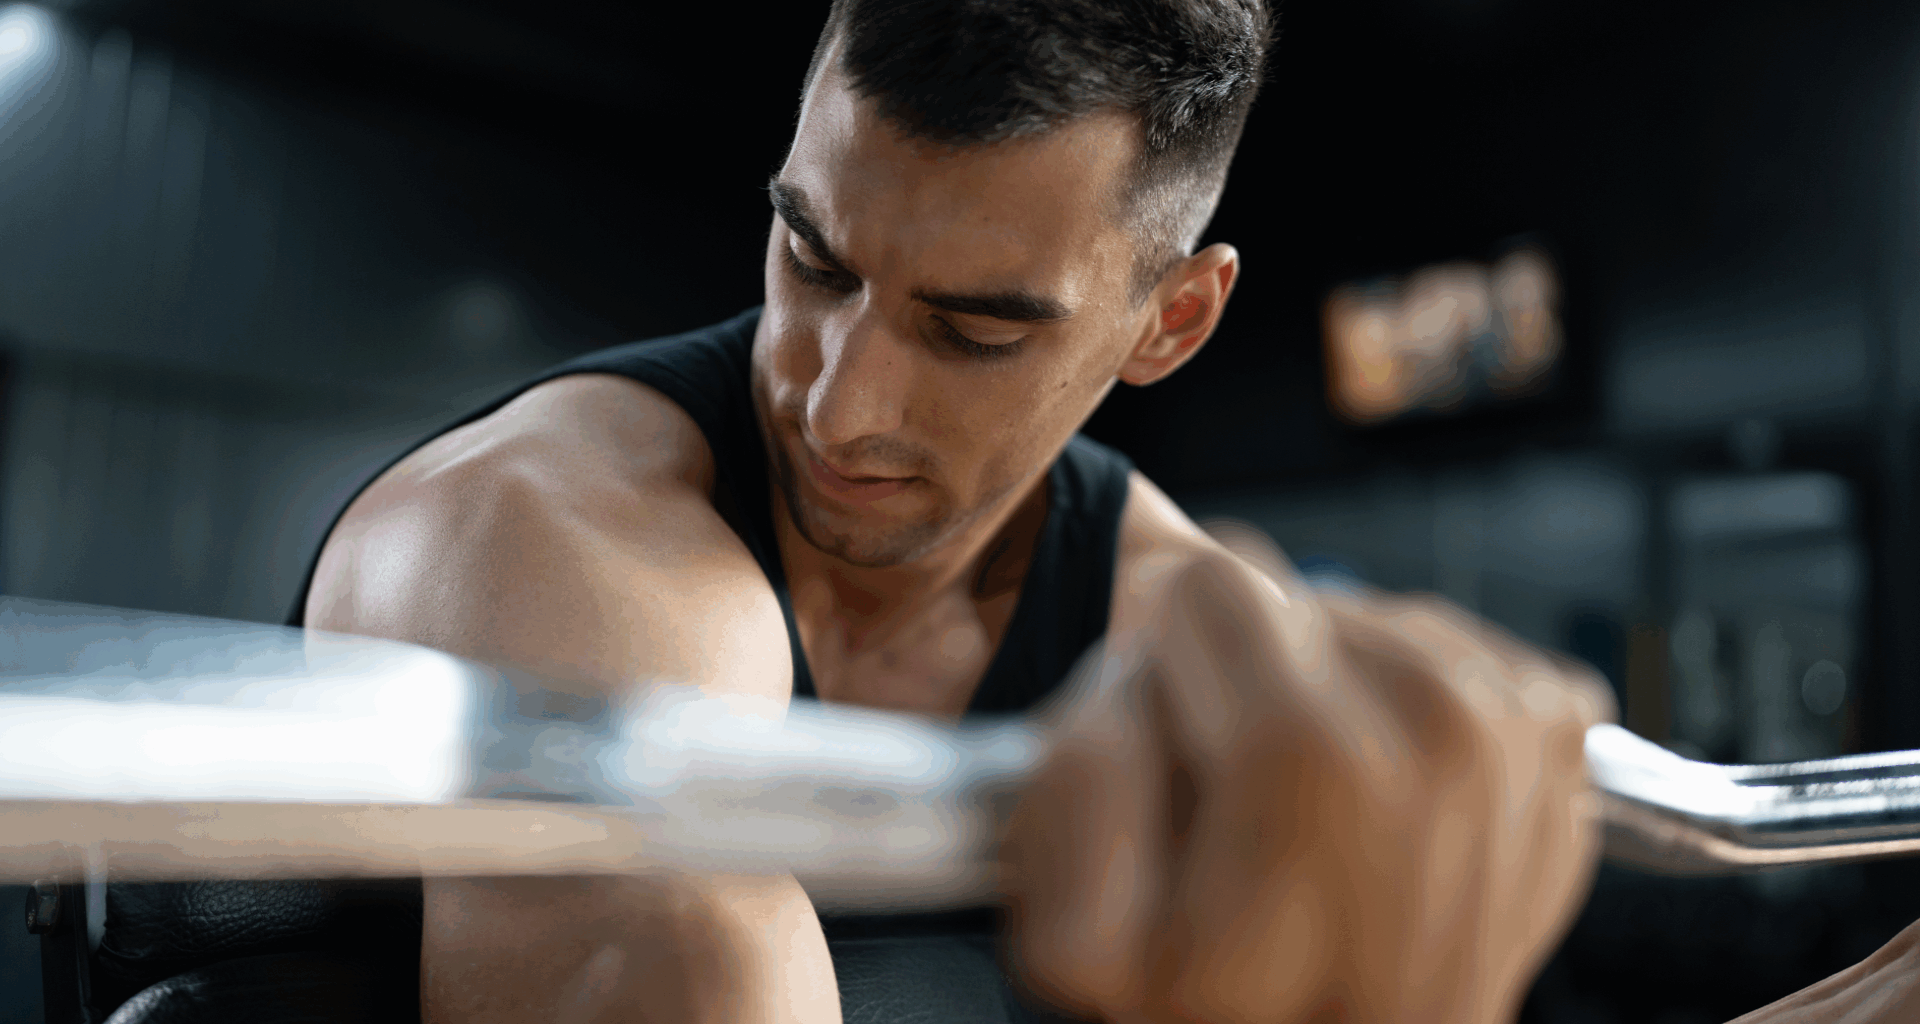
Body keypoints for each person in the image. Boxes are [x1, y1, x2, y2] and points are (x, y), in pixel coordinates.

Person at [288, 0, 1801, 1021]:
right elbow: (685, 968)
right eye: (814, 261)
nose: (837, 403)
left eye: (975, 330)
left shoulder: (1188, 611)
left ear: (1172, 326)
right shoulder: (546, 543)